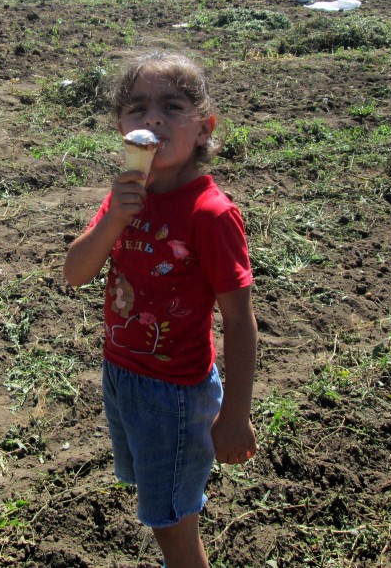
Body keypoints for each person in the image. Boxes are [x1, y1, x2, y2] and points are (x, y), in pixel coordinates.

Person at [64, 51, 258, 568]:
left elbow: (239, 321)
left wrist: (235, 414)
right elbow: (75, 273)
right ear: (121, 128)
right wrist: (113, 221)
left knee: (171, 526)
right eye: (138, 108)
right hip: (121, 374)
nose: (153, 119)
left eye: (172, 106)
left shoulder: (211, 214)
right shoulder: (129, 193)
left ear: (204, 128)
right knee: (160, 507)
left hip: (175, 394)